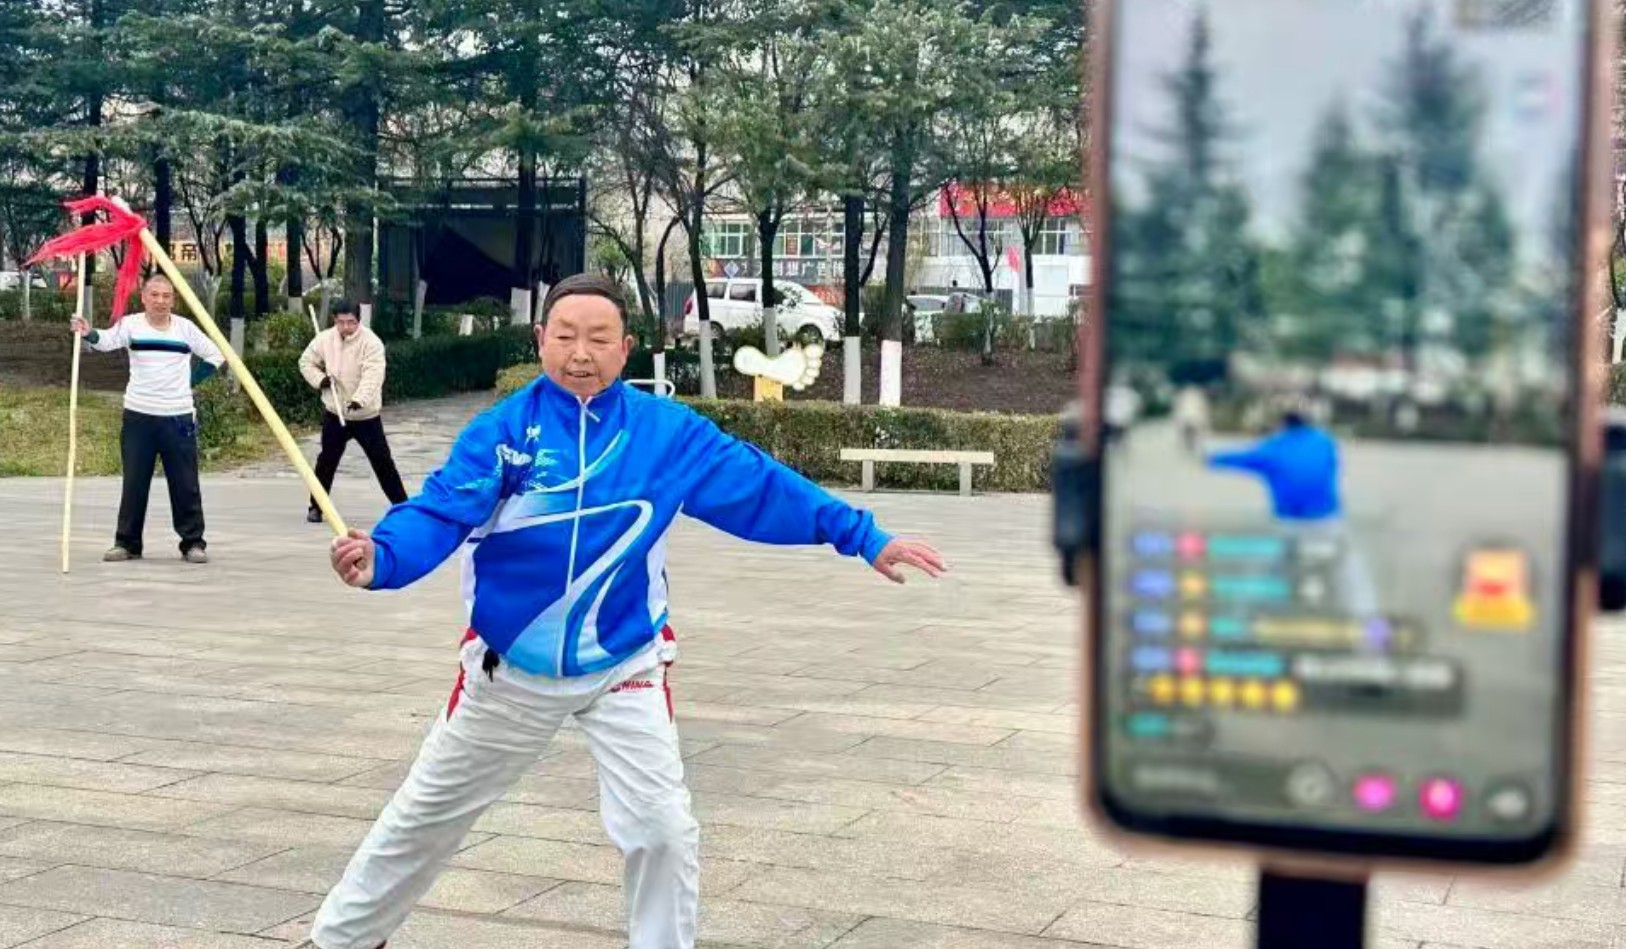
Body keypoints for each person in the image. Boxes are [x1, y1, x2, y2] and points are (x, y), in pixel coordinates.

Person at [302, 274, 945, 949]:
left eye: (599, 338)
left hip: (624, 664)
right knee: (426, 813)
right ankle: (344, 939)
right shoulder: (503, 433)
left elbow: (759, 485)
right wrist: (382, 555)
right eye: (565, 336)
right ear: (540, 339)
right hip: (508, 670)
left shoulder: (664, 433)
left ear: (627, 348)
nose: (581, 353)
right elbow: (439, 511)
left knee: (663, 829)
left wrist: (862, 535)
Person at [70, 274, 224, 564]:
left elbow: (216, 355)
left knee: (185, 483)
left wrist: (189, 381)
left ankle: (193, 543)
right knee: (134, 482)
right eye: (154, 295)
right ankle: (126, 543)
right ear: (143, 297)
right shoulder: (131, 324)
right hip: (139, 415)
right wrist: (89, 332)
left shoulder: (185, 329)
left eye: (166, 296)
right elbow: (107, 340)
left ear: (173, 300)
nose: (160, 301)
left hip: (178, 417)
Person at [1208, 406, 1378, 615]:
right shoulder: (1324, 442)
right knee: (1349, 569)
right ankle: (1367, 615)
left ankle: (1240, 615)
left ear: (1283, 425)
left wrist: (1211, 459)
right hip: (1326, 520)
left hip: (1287, 524)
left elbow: (1240, 458)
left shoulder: (1272, 448)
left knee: (1262, 570)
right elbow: (1330, 467)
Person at [298, 301, 408, 522]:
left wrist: (359, 399)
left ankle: (403, 507)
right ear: (334, 320)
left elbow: (373, 375)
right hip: (334, 412)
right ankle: (317, 507)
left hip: (366, 416)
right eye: (341, 322)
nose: (346, 327)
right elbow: (305, 362)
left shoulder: (371, 343)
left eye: (351, 322)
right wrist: (320, 380)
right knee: (326, 461)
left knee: (382, 461)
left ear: (359, 320)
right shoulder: (324, 339)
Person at [1173, 384, 1211, 455]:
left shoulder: (1185, 396)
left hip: (1188, 418)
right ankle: (1192, 444)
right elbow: (1204, 410)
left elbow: (1177, 410)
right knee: (1192, 430)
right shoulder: (1197, 397)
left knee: (1190, 430)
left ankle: (1191, 443)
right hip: (1191, 418)